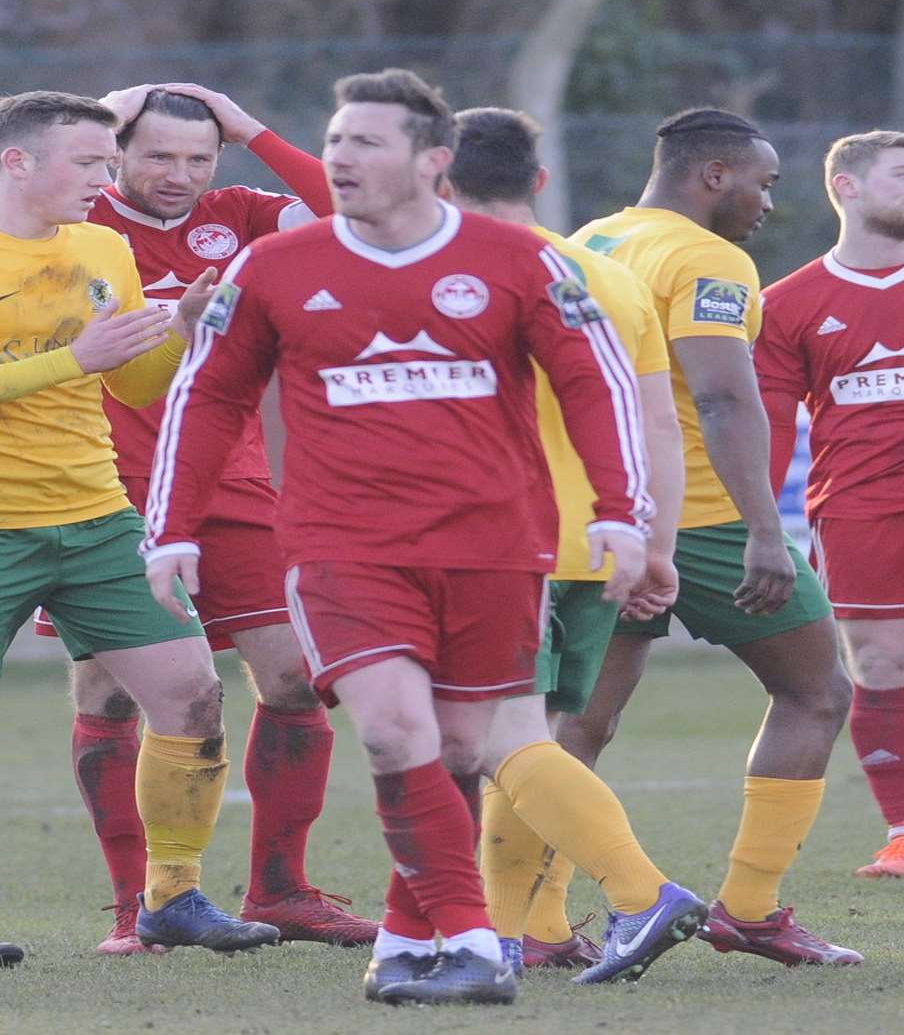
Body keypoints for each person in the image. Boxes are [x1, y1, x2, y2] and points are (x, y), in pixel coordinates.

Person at [145, 69, 651, 1006]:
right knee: (392, 731)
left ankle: (408, 942)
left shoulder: (517, 260)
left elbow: (595, 381)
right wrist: (171, 526)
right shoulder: (274, 267)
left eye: (365, 142)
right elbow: (206, 395)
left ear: (433, 161)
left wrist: (624, 509)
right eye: (334, 140)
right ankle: (471, 940)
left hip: (496, 547)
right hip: (343, 547)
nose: (339, 157)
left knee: (457, 754)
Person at [0, 90, 279, 967]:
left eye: (109, 163)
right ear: (17, 161)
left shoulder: (102, 248)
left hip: (98, 517)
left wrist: (180, 330)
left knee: (194, 697)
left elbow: (134, 386)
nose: (108, 180)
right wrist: (72, 359)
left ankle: (172, 896)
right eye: (91, 163)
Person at [38, 82, 377, 954]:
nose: (180, 175)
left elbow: (351, 212)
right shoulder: (70, 217)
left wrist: (253, 127)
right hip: (104, 490)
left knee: (296, 679)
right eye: (157, 155)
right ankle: (134, 905)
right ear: (116, 151)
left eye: (199, 156)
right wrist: (97, 120)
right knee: (112, 692)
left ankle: (281, 890)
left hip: (230, 483)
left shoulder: (245, 214)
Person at [569, 109, 862, 967]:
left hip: (604, 512)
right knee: (817, 693)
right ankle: (752, 909)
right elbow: (724, 398)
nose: (770, 203)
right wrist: (766, 533)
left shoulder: (595, 237)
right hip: (700, 518)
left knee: (579, 723)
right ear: (714, 176)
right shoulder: (707, 258)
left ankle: (538, 924)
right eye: (765, 183)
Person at [443, 107, 704, 983]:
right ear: (541, 180)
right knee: (533, 744)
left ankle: (642, 892)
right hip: (598, 546)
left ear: (435, 178)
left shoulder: (439, 280)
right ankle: (510, 936)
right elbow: (659, 424)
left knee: (500, 744)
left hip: (490, 547)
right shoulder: (607, 275)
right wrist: (656, 542)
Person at [757, 130, 904, 881]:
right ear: (847, 188)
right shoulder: (786, 305)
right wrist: (755, 522)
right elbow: (761, 423)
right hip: (859, 508)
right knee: (884, 664)